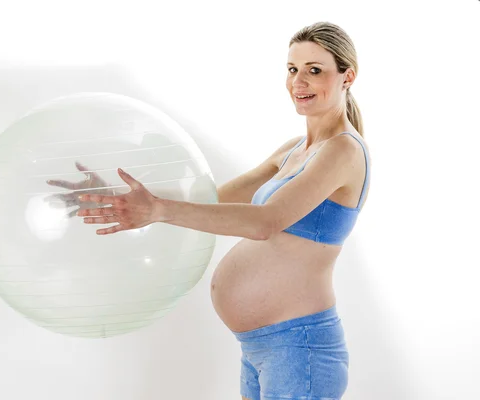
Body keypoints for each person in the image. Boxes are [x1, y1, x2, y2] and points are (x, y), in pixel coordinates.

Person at [50, 21, 370, 400]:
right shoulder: (294, 149)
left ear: (347, 76)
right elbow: (212, 198)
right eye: (292, 69)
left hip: (299, 349)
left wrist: (157, 211)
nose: (298, 81)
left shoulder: (343, 150)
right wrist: (115, 194)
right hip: (261, 347)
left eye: (314, 70)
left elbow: (266, 222)